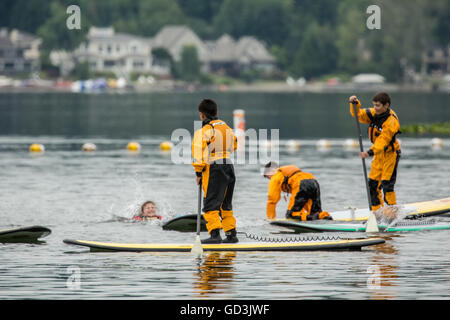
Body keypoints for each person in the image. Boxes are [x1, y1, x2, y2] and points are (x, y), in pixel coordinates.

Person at [192, 98, 238, 243]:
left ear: (202, 115)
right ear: (216, 112)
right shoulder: (226, 128)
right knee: (225, 204)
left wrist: (198, 173)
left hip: (213, 168)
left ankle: (215, 235)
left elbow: (198, 154)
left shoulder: (204, 131)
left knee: (211, 204)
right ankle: (231, 234)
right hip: (228, 166)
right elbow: (234, 146)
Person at [349, 92, 401, 211]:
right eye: (374, 105)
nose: (375, 108)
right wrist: (354, 104)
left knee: (387, 185)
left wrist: (369, 152)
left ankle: (392, 211)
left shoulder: (391, 121)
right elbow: (358, 115)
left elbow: (383, 141)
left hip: (390, 154)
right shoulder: (374, 113)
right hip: (378, 155)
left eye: (378, 105)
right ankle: (377, 212)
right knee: (372, 184)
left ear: (386, 105)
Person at [263, 161, 331, 221]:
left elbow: (272, 200)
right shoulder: (287, 174)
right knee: (314, 212)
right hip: (313, 182)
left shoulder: (275, 177)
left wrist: (270, 218)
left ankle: (318, 216)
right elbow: (303, 197)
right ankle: (322, 216)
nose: (269, 179)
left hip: (301, 184)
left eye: (268, 177)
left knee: (291, 216)